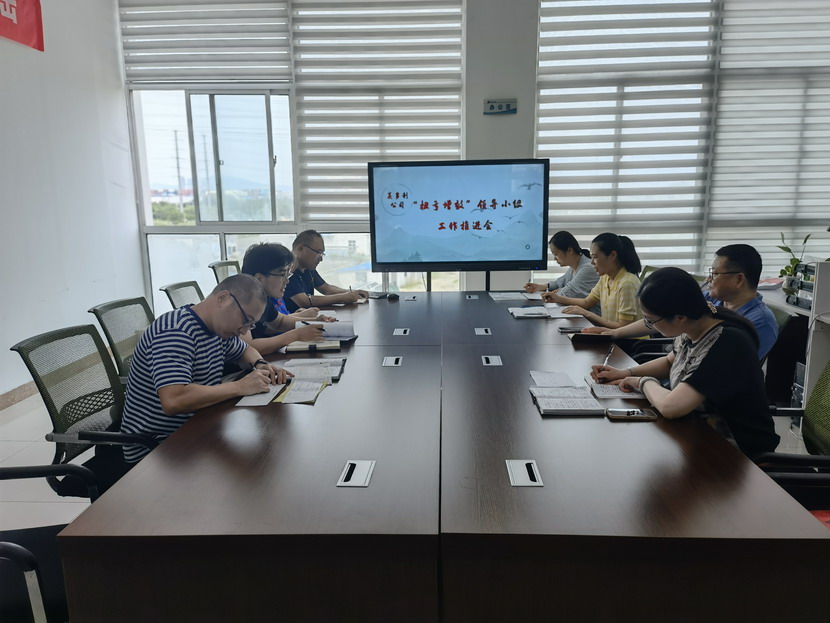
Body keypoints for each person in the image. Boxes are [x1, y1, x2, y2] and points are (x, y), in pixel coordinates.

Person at [591, 267, 779, 458]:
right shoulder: (695, 325)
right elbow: (669, 362)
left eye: (650, 321)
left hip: (735, 451)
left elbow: (671, 407)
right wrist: (625, 373)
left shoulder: (726, 342)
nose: (649, 326)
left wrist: (642, 382)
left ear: (680, 317)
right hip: (695, 430)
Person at [120, 274, 290, 462]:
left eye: (251, 325)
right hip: (157, 449)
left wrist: (261, 364)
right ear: (223, 298)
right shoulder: (175, 330)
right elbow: (174, 400)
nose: (244, 330)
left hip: (196, 427)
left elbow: (245, 349)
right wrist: (239, 386)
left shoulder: (215, 329)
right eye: (245, 320)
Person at [588, 244, 778, 359]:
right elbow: (658, 318)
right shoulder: (711, 298)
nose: (709, 279)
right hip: (678, 366)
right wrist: (613, 333)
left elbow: (726, 370)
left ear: (739, 279)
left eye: (715, 273)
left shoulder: (761, 322)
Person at [240, 242, 337, 354]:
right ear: (259, 278)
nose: (287, 281)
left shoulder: (262, 298)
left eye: (288, 275)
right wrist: (295, 335)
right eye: (282, 275)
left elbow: (280, 322)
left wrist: (316, 321)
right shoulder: (242, 300)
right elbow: (247, 347)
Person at [542, 232, 642, 329]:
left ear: (612, 256)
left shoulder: (627, 283)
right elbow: (586, 302)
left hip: (627, 339)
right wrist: (557, 298)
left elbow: (623, 327)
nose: (592, 262)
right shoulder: (605, 278)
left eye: (595, 257)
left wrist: (586, 313)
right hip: (611, 334)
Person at [283, 230, 370, 313]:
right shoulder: (287, 271)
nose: (321, 259)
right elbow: (304, 301)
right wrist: (342, 297)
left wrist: (352, 293)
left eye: (322, 254)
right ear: (301, 248)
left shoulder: (308, 268)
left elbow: (326, 289)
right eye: (318, 252)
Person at [523, 231, 600, 314]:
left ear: (570, 250)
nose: (554, 259)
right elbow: (558, 283)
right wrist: (539, 287)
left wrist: (559, 291)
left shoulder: (587, 268)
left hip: (592, 318)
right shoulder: (573, 267)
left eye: (556, 254)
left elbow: (565, 294)